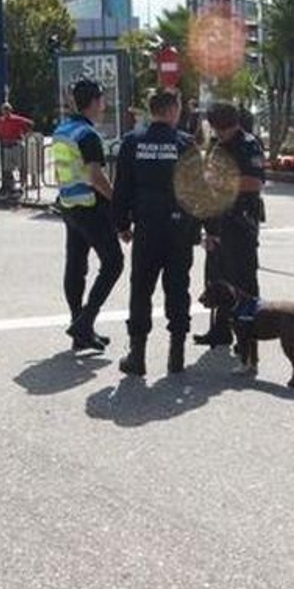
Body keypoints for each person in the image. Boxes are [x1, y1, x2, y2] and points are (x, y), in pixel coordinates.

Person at [112, 88, 201, 376]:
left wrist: (122, 225)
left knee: (141, 289)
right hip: (179, 228)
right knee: (178, 288)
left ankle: (137, 357)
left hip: (147, 227)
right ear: (174, 109)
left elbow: (122, 188)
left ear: (152, 111)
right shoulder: (186, 143)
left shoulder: (132, 143)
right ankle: (177, 355)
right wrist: (203, 230)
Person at [53, 78, 123, 351]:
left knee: (76, 265)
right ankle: (85, 321)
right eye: (103, 100)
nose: (104, 105)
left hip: (69, 204)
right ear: (94, 102)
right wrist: (119, 202)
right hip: (90, 206)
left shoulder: (63, 130)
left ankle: (80, 329)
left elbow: (61, 172)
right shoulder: (88, 135)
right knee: (114, 263)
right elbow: (96, 177)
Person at [193, 102, 266, 349]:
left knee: (243, 279)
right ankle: (221, 330)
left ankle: (248, 333)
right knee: (217, 279)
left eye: (220, 129)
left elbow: (253, 182)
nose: (217, 133)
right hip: (217, 221)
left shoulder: (248, 144)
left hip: (240, 221)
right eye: (215, 129)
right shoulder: (217, 145)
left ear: (233, 124)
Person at [0, 102, 33, 198]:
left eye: (7, 110)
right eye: (4, 110)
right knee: (7, 169)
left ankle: (22, 185)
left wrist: (26, 135)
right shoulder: (0, 121)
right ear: (2, 111)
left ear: (10, 110)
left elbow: (30, 123)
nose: (6, 112)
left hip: (16, 145)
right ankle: (12, 186)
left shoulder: (17, 119)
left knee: (21, 166)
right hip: (7, 147)